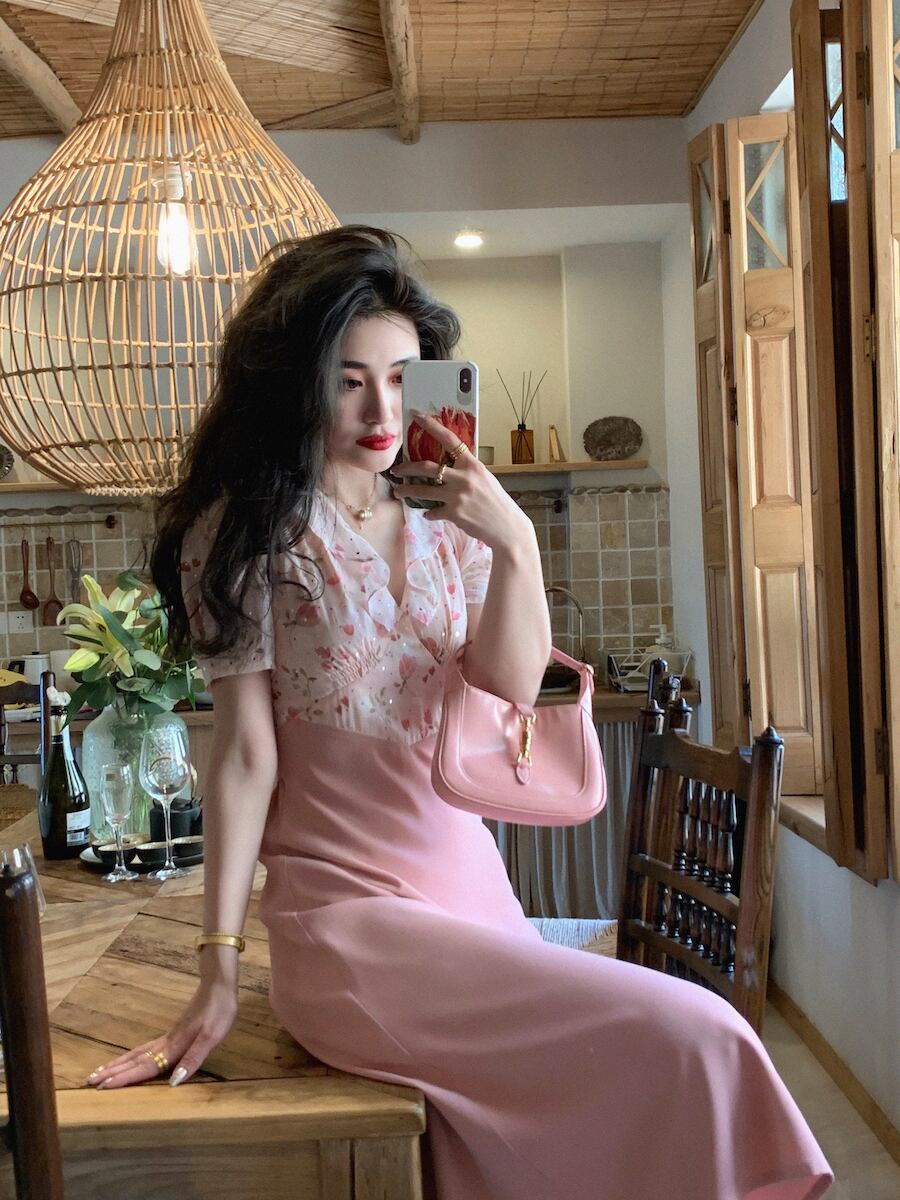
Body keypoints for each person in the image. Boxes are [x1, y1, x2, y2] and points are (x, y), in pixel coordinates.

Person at [85, 226, 832, 1200]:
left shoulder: (452, 523)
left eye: (402, 379)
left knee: (555, 1124)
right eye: (349, 380)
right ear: (298, 384)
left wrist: (515, 540)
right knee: (703, 1036)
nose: (381, 410)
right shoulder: (244, 534)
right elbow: (243, 761)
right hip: (346, 922)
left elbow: (510, 684)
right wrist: (218, 965)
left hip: (475, 896)